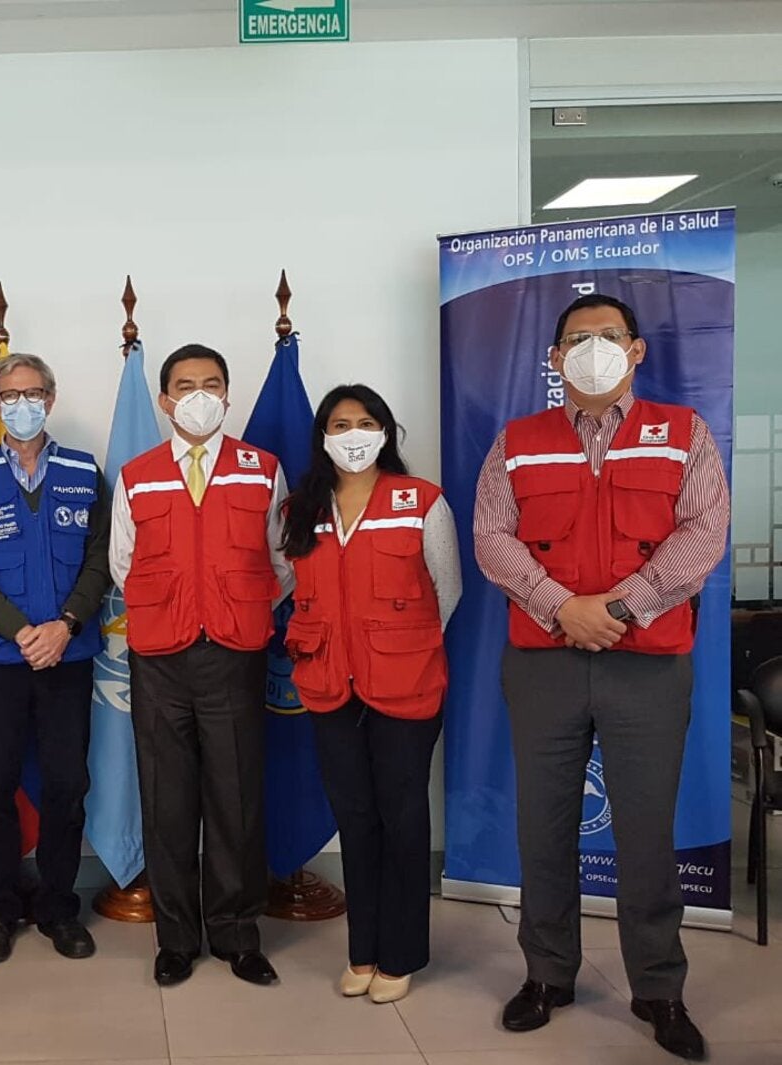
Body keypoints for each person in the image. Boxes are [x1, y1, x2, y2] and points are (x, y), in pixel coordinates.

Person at [475, 294, 729, 1061]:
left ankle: (658, 987)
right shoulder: (518, 442)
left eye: (608, 335)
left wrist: (618, 607)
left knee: (646, 833)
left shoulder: (683, 433)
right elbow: (491, 536)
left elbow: (704, 529)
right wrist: (562, 607)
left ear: (636, 349)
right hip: (543, 662)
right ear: (554, 359)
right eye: (576, 339)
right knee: (543, 827)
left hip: (646, 663)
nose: (593, 348)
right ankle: (547, 974)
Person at [109, 343, 292, 988]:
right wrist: (176, 609)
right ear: (164, 400)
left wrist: (231, 609)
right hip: (160, 657)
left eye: (212, 384)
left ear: (227, 394)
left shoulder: (261, 469)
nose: (199, 396)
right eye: (185, 386)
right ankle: (176, 938)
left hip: (234, 654)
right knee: (167, 801)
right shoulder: (137, 474)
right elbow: (123, 564)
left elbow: (281, 562)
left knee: (236, 797)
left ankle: (238, 934)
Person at [281, 384, 461, 1004]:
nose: (352, 434)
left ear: (385, 431)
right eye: (339, 424)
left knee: (403, 818)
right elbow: (287, 582)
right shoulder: (301, 508)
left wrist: (397, 649)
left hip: (405, 686)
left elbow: (448, 590)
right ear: (323, 436)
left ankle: (400, 954)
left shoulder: (421, 501)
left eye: (364, 422)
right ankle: (363, 950)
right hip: (330, 686)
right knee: (355, 818)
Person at [0, 353, 112, 963]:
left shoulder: (83, 470)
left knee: (67, 786)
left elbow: (101, 558)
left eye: (34, 392)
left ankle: (58, 908)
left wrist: (65, 626)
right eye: (10, 395)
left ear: (51, 398)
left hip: (67, 658)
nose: (23, 404)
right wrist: (23, 632)